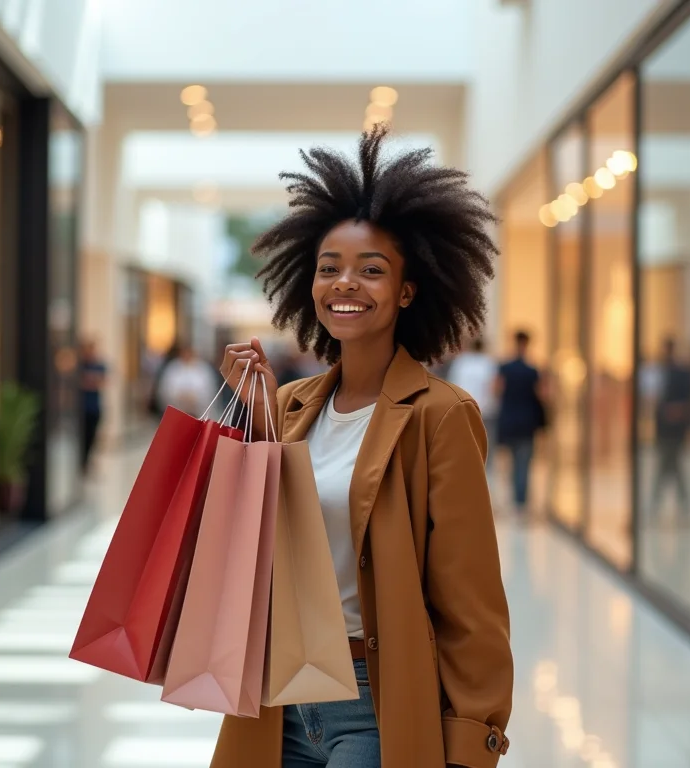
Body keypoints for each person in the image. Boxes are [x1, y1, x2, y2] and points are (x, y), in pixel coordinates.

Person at [211, 128, 512, 768]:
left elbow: (471, 603)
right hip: (279, 695)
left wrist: (474, 737)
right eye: (330, 268)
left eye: (371, 269)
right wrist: (258, 424)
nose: (345, 283)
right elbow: (254, 548)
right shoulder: (293, 405)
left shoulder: (439, 416)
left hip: (377, 705)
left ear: (407, 290)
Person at [496, 330, 545, 515]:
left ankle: (514, 500)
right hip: (527, 421)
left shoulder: (505, 368)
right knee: (523, 463)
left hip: (508, 420)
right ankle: (520, 503)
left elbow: (496, 390)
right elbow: (541, 394)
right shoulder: (532, 371)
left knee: (509, 462)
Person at [651, 337, 690, 517]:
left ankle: (658, 501)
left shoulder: (681, 373)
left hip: (675, 428)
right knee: (670, 466)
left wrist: (678, 411)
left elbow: (688, 399)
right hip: (663, 428)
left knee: (669, 465)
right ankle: (673, 501)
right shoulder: (659, 372)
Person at [447, 336, 499, 464]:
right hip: (485, 410)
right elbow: (494, 387)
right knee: (484, 445)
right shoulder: (489, 363)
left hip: (463, 410)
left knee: (464, 444)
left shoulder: (461, 362)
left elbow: (452, 385)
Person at [158, 344, 217, 418]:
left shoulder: (203, 369)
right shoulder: (173, 368)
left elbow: (209, 391)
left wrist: (195, 398)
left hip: (199, 413)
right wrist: (180, 397)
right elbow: (165, 390)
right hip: (177, 412)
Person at [78, 338, 107, 474]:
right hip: (81, 408)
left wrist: (89, 381)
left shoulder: (99, 365)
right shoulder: (80, 366)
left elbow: (102, 382)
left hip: (94, 408)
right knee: (82, 436)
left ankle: (88, 461)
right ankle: (82, 462)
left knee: (92, 436)